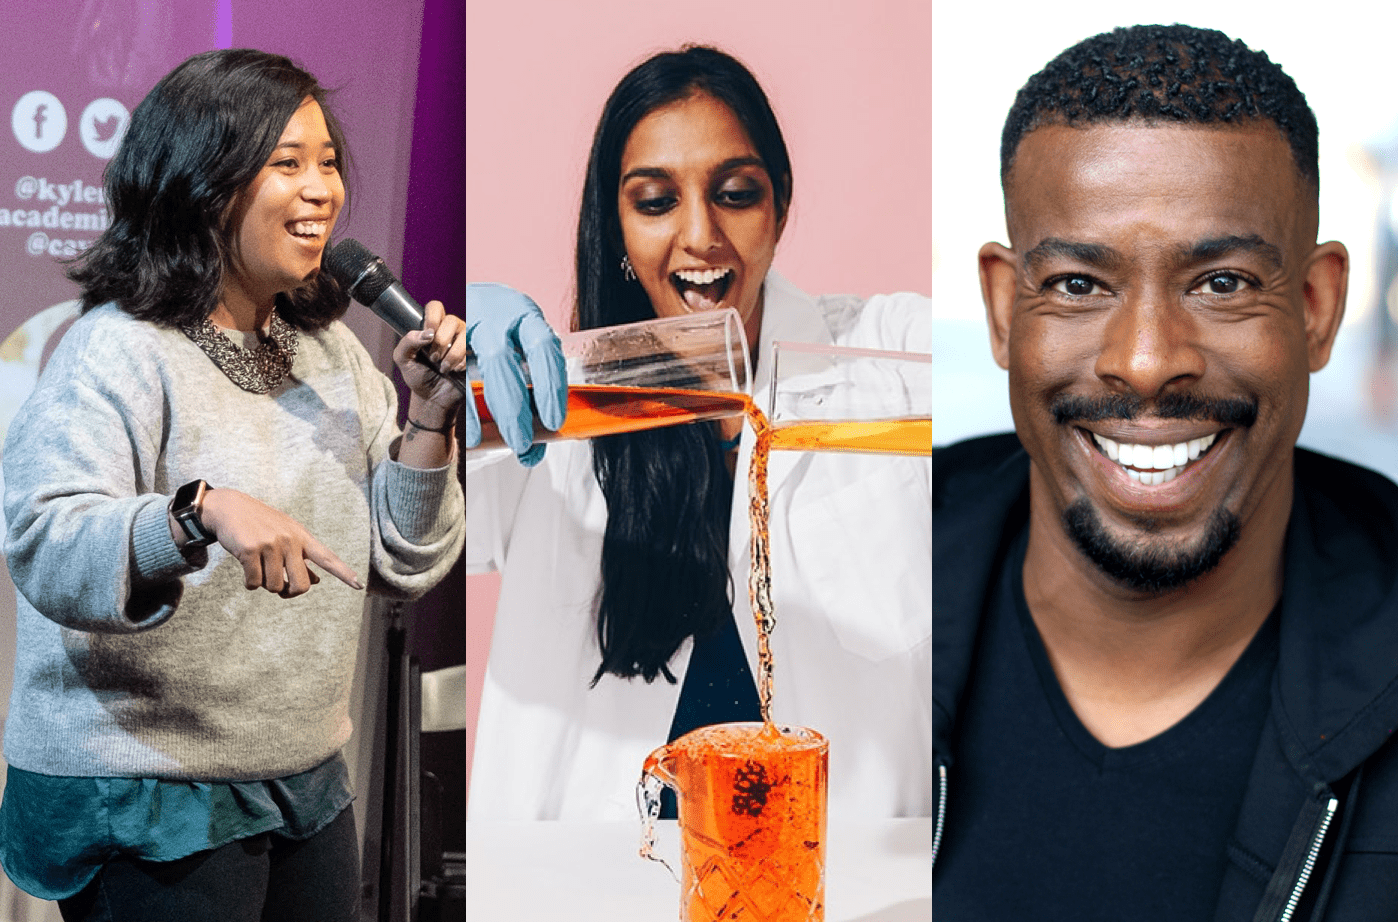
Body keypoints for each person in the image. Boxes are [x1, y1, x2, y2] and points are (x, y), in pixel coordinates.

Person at [933, 24, 1398, 919]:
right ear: (1002, 310)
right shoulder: (837, 603)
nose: (1146, 362)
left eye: (1221, 283)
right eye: (1078, 284)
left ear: (1314, 308)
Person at [0, 50, 466, 920]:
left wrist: (430, 420)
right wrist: (196, 512)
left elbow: (407, 560)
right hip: (145, 785)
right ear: (203, 187)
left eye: (327, 161)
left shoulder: (334, 357)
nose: (322, 189)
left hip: (302, 773)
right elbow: (45, 540)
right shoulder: (119, 349)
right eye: (286, 163)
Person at [465, 45, 932, 821]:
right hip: (596, 876)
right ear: (615, 223)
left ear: (779, 206)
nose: (700, 234)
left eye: (736, 193)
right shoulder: (558, 399)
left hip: (826, 869)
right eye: (655, 201)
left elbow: (1024, 383)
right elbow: (400, 523)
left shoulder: (883, 356)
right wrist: (445, 378)